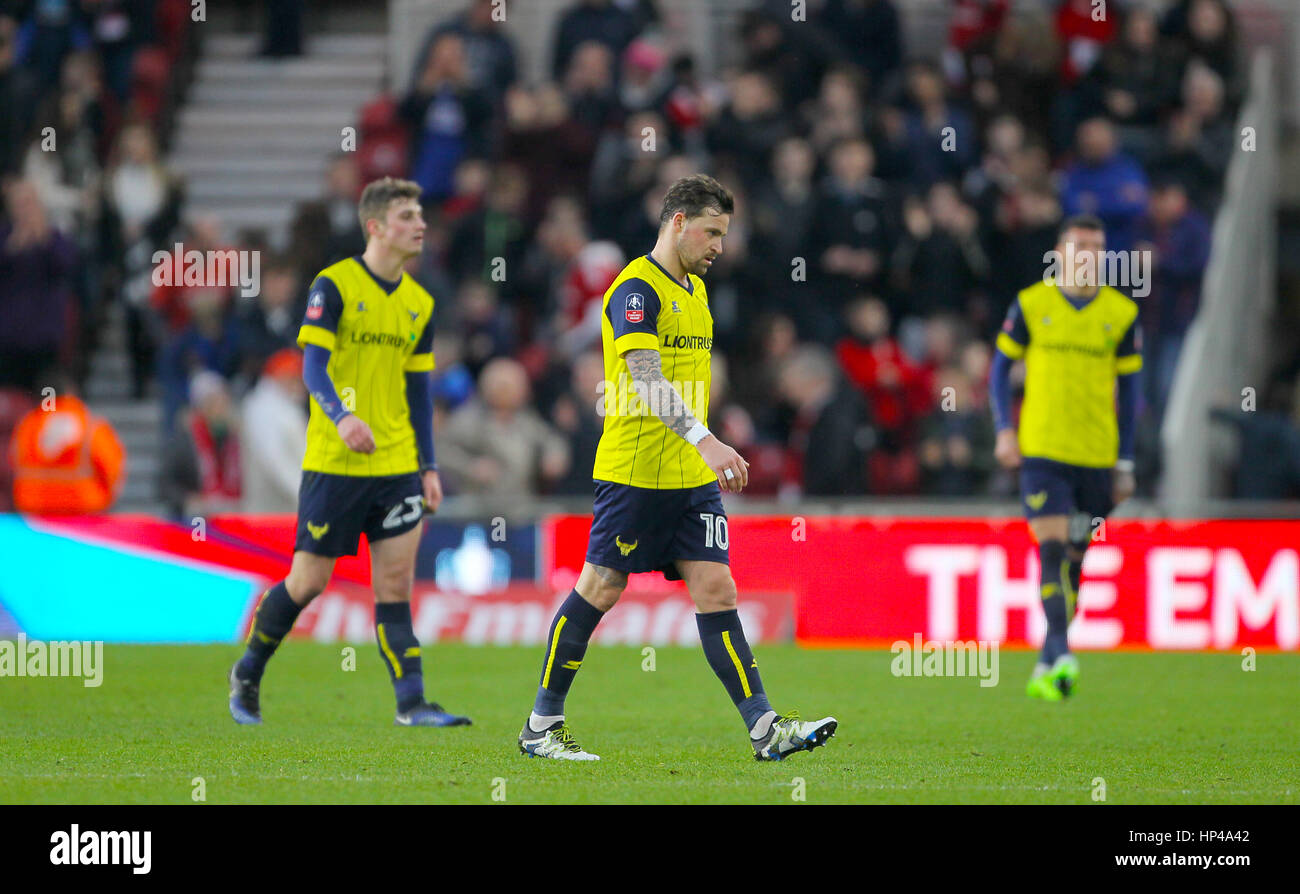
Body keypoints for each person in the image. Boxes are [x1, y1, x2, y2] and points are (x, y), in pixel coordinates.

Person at [516, 174, 837, 761]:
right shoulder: (636, 290)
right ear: (678, 222)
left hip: (690, 480)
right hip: (635, 471)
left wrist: (704, 446)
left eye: (726, 234)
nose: (720, 245)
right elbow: (645, 378)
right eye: (712, 232)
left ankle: (765, 728)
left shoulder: (696, 292)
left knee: (717, 588)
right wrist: (706, 438)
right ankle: (541, 725)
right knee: (601, 586)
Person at [227, 177, 470, 728]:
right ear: (376, 226)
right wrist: (341, 417)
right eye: (408, 216)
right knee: (309, 581)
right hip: (336, 464)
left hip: (397, 466)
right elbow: (312, 367)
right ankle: (249, 669)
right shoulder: (332, 286)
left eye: (421, 216)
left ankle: (412, 703)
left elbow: (417, 395)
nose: (421, 225)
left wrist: (428, 466)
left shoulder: (420, 304)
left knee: (394, 584)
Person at [989, 214, 1142, 701]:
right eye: (1079, 246)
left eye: (1096, 248)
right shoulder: (1033, 305)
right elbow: (998, 371)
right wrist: (1004, 431)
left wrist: (1127, 463)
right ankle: (1063, 649)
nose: (1088, 256)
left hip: (1097, 459)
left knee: (1075, 562)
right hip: (1043, 453)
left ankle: (1046, 662)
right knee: (1051, 551)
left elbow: (1133, 394)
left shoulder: (1120, 314)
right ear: (1060, 252)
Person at [10, 375, 125, 514]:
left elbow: (14, 461)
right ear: (70, 392)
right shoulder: (90, 425)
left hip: (35, 509)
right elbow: (110, 468)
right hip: (82, 510)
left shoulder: (28, 424)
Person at [240, 349, 308, 513]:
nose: (302, 388)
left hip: (292, 506)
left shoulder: (285, 407)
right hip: (272, 509)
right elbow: (276, 459)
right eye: (296, 380)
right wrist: (308, 496)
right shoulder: (262, 408)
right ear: (281, 377)